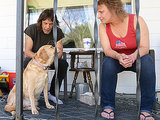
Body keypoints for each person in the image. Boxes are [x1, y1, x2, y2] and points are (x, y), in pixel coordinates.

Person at [97, 0, 156, 120]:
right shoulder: (102, 26)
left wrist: (133, 57)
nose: (99, 16)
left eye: (101, 12)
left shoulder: (136, 20)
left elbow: (144, 47)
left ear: (113, 8)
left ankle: (146, 109)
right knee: (107, 64)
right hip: (116, 58)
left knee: (147, 62)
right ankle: (107, 106)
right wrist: (119, 56)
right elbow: (107, 50)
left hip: (136, 57)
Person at [24, 8, 68, 104]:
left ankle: (52, 94)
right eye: (45, 23)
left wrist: (50, 61)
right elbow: (27, 52)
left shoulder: (58, 32)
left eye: (51, 24)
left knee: (63, 64)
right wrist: (39, 61)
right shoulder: (32, 29)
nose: (48, 27)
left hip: (50, 61)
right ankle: (28, 93)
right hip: (34, 60)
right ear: (41, 22)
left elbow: (59, 52)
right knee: (25, 63)